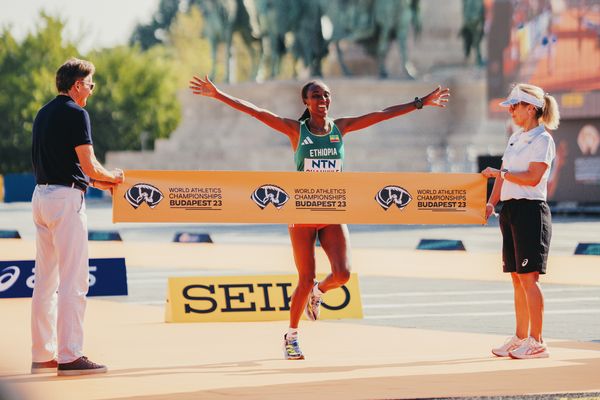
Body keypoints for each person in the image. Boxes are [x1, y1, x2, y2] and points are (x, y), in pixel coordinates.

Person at [189, 75, 449, 360]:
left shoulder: (341, 128)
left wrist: (420, 103)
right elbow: (256, 112)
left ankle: (319, 291)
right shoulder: (296, 130)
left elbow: (382, 115)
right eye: (315, 96)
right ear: (306, 102)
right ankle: (291, 336)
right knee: (304, 277)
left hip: (332, 210)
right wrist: (219, 94)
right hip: (302, 211)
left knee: (343, 274)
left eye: (325, 95)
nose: (322, 100)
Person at [30, 58, 124, 376]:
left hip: (42, 196)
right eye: (90, 84)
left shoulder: (43, 113)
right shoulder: (77, 113)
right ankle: (70, 355)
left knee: (45, 282)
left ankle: (42, 353)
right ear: (77, 85)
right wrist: (114, 178)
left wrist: (101, 182)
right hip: (66, 200)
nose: (91, 91)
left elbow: (68, 166)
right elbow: (89, 166)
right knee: (74, 280)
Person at [482, 83, 559, 359]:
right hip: (511, 212)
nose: (512, 111)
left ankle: (537, 341)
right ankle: (520, 336)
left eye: (516, 106)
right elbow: (502, 177)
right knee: (516, 278)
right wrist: (492, 203)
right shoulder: (515, 138)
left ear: (532, 108)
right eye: (511, 106)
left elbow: (532, 177)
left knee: (529, 278)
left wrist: (500, 172)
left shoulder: (543, 139)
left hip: (531, 211)